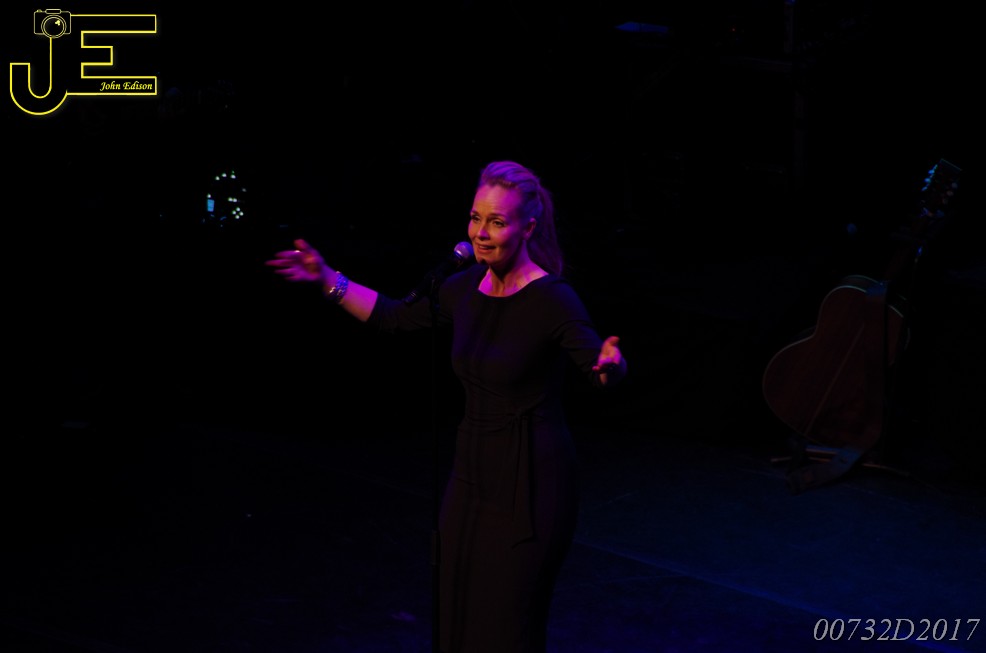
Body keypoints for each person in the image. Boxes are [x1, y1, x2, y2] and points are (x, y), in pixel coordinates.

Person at [266, 160, 627, 652]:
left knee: (508, 628)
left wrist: (610, 367)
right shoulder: (461, 288)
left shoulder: (553, 299)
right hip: (470, 478)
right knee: (458, 616)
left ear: (527, 228)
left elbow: (598, 366)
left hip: (532, 486)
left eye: (497, 222)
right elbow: (392, 316)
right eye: (476, 218)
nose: (480, 233)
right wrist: (326, 278)